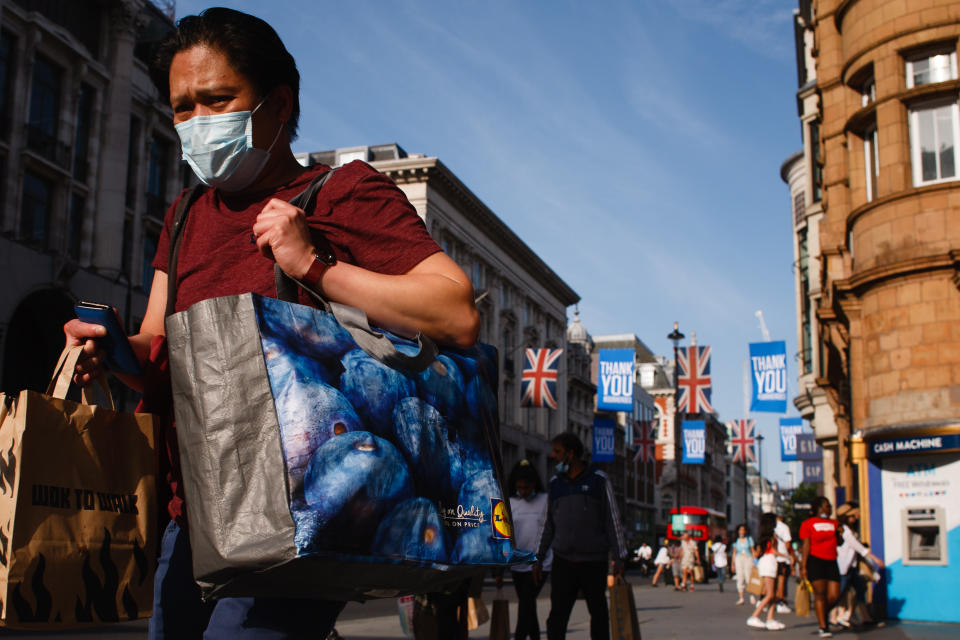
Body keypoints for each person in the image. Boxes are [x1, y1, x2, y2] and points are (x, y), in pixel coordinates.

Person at [63, 8, 479, 639]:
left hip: (301, 508)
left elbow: (455, 313)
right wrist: (112, 349)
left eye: (218, 99)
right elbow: (158, 353)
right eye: (183, 107)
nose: (199, 123)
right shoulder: (185, 213)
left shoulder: (344, 193)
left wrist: (313, 264)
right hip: (193, 510)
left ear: (279, 104)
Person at [535, 432, 628, 640]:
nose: (553, 456)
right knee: (557, 616)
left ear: (571, 453)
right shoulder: (555, 483)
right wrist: (537, 558)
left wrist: (619, 555)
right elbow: (547, 524)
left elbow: (612, 520)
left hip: (593, 561)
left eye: (558, 451)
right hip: (563, 561)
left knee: (599, 614)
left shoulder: (599, 480)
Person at [506, 460, 552, 640]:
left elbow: (548, 530)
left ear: (534, 485)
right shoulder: (510, 502)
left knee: (525, 605)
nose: (523, 491)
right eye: (519, 488)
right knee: (529, 606)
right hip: (518, 564)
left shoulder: (545, 500)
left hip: (540, 563)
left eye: (526, 487)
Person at [833, 502, 884, 629]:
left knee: (860, 590)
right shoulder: (845, 530)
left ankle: (862, 617)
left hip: (850, 566)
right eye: (855, 515)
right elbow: (858, 547)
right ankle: (834, 617)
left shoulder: (847, 529)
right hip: (843, 567)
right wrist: (876, 559)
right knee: (840, 593)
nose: (857, 517)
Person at [800, 496, 842, 638]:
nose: (829, 508)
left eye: (829, 506)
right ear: (819, 508)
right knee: (820, 594)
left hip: (832, 561)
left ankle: (822, 613)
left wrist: (840, 533)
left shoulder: (835, 523)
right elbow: (806, 545)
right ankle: (823, 626)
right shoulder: (808, 524)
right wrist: (803, 566)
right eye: (827, 506)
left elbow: (839, 542)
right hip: (815, 561)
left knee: (835, 595)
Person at [746, 513, 786, 631]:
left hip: (765, 562)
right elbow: (774, 551)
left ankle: (770, 619)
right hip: (770, 563)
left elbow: (758, 553)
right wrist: (787, 556)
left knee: (772, 594)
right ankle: (754, 616)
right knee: (770, 594)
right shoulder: (772, 537)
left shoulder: (762, 537)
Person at [774, 513, 796, 614]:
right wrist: (792, 555)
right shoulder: (784, 527)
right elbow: (788, 543)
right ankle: (781, 602)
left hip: (772, 556)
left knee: (773, 580)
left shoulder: (770, 526)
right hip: (782, 557)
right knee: (782, 580)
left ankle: (769, 601)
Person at [732, 523, 755, 605]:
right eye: (740, 530)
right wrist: (732, 564)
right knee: (740, 577)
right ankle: (741, 598)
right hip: (739, 559)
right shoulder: (736, 540)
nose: (742, 531)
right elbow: (734, 552)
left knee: (748, 577)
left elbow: (753, 550)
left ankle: (751, 596)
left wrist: (755, 561)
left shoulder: (749, 539)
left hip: (748, 558)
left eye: (743, 530)